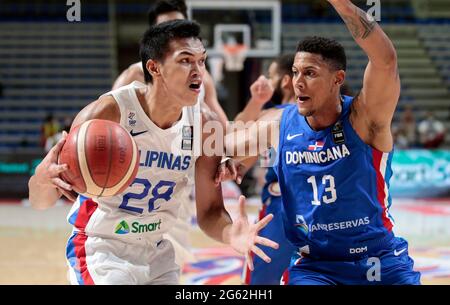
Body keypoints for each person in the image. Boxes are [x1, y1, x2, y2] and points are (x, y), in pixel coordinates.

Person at [28, 20, 278, 285]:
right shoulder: (107, 114)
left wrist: (231, 235)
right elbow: (40, 201)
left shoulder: (205, 125)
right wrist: (41, 179)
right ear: (154, 67)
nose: (198, 72)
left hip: (157, 252)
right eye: (185, 60)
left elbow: (210, 211)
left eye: (201, 61)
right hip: (102, 250)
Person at [225, 0, 421, 285]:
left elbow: (385, 60)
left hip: (380, 260)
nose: (298, 82)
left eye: (310, 73)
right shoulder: (279, 123)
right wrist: (221, 157)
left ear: (337, 79)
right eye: (295, 72)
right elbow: (227, 143)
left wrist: (341, 4)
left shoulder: (365, 119)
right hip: (316, 267)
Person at [112, 0, 228, 129]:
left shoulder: (203, 78)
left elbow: (224, 132)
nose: (174, 32)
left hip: (183, 144)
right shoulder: (132, 76)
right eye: (166, 27)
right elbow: (109, 125)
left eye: (179, 25)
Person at [240, 54, 298, 285]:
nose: (266, 80)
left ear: (285, 81)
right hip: (319, 210)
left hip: (279, 211)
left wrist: (255, 102)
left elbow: (237, 145)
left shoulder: (271, 117)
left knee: (261, 283)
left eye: (271, 75)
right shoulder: (326, 115)